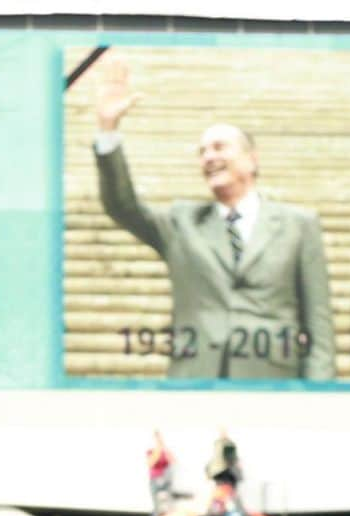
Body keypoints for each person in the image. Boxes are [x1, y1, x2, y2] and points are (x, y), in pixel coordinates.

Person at [92, 55, 334, 381]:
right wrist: (108, 129)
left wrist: (318, 395)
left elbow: (319, 324)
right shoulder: (181, 223)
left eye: (219, 147)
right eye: (202, 151)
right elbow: (122, 206)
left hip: (273, 381)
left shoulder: (299, 225)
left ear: (251, 159)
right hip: (195, 378)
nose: (209, 157)